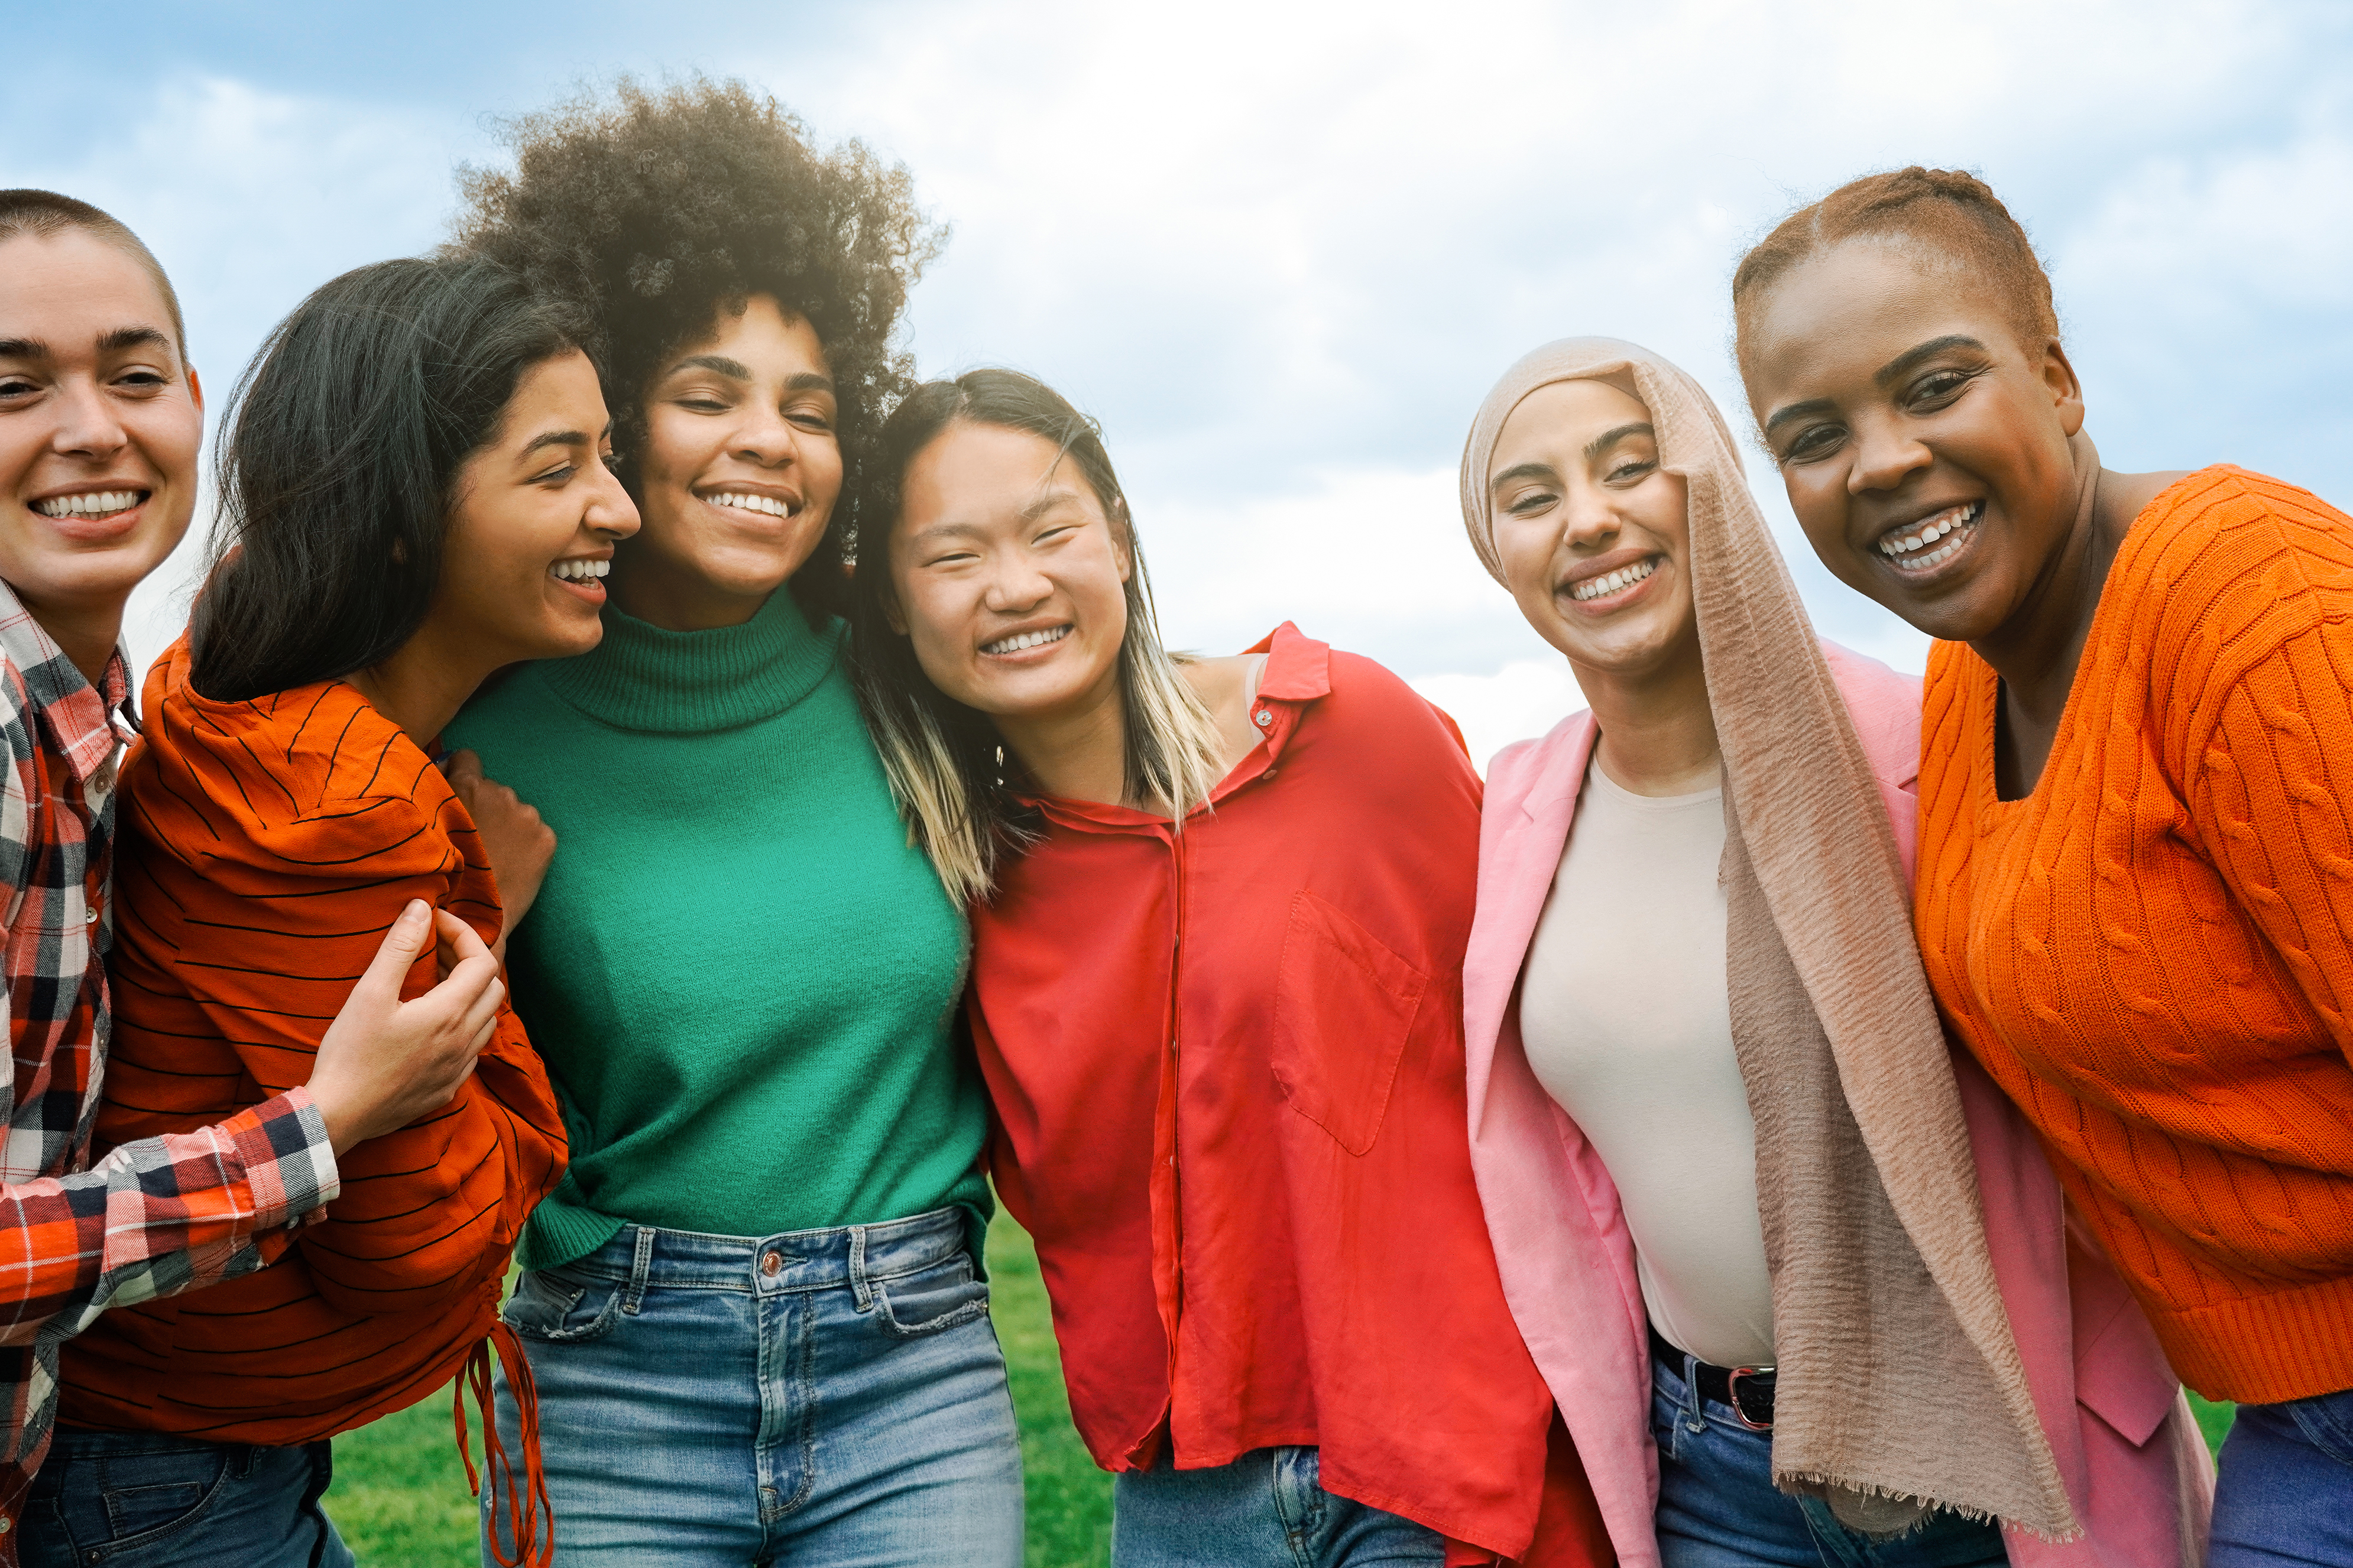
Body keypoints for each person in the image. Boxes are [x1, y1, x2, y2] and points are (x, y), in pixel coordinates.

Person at [1453, 336, 2213, 1568]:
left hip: (1992, 1446)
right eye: (1530, 497)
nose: (1587, 521)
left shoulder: (1926, 742)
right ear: (1499, 554)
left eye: (1630, 467)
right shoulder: (1515, 810)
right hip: (1713, 1475)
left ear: (1710, 484)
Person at [848, 365, 1613, 1568]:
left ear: (1119, 539)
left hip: (1446, 1470)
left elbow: (1554, 1039)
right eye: (950, 559)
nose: (1016, 586)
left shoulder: (1353, 732)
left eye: (1052, 531)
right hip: (1185, 1501)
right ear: (891, 602)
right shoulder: (952, 885)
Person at [1730, 165, 2353, 1568]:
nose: (1880, 460)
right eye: (1813, 434)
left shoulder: (2243, 594)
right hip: (2296, 1422)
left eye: (1934, 385)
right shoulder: (1963, 679)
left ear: (2058, 378)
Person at [446, 80, 1023, 1566]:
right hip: (607, 1367)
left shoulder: (916, 698)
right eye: (709, 394)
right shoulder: (481, 734)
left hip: (914, 1364)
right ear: (607, 412)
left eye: (810, 409)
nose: (770, 439)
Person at [40, 251, 615, 1567]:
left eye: (608, 456)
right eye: (558, 467)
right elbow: (422, 1238)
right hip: (167, 1479)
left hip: (176, 1451)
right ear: (404, 510)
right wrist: (492, 929)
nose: (618, 508)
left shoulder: (225, 681)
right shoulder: (337, 800)